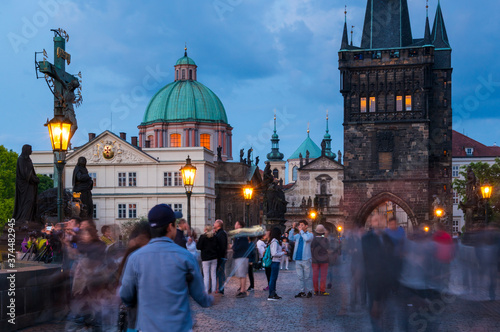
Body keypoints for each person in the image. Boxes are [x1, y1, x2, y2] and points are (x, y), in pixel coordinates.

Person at [120, 204, 214, 332]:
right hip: (179, 327)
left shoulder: (135, 258)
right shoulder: (185, 257)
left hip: (148, 327)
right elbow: (200, 296)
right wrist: (212, 299)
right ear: (170, 226)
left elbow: (125, 294)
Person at [12, 144, 40, 223]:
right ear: (26, 150)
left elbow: (31, 171)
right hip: (24, 185)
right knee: (27, 200)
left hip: (30, 184)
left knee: (31, 200)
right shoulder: (21, 159)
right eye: (30, 149)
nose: (31, 151)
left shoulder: (29, 160)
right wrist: (34, 179)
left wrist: (35, 178)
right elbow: (24, 174)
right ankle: (23, 218)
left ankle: (29, 218)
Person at [289, 220, 314, 298]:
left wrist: (301, 232)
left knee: (307, 276)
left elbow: (306, 239)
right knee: (300, 277)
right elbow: (290, 238)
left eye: (302, 225)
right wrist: (293, 228)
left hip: (306, 258)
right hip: (298, 259)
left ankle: (309, 291)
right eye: (300, 225)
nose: (300, 227)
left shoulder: (310, 235)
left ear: (306, 226)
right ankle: (302, 291)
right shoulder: (298, 236)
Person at [197, 225, 219, 294]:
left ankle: (206, 291)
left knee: (206, 275)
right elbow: (217, 246)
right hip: (214, 257)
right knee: (213, 275)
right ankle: (213, 290)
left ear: (205, 229)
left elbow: (198, 247)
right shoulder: (215, 237)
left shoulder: (202, 237)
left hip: (206, 258)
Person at [232, 221, 250, 298]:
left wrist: (233, 247)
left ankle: (243, 290)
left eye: (236, 224)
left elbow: (242, 245)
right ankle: (241, 289)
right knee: (240, 274)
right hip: (239, 256)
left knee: (242, 274)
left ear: (239, 225)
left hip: (242, 256)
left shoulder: (242, 234)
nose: (234, 225)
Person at [311, 224, 330, 296]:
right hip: (324, 259)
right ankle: (322, 290)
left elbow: (311, 248)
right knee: (323, 276)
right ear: (323, 232)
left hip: (315, 260)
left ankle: (316, 290)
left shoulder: (313, 240)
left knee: (315, 275)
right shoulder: (325, 240)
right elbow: (328, 248)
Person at [268, 227, 285, 300]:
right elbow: (274, 253)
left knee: (274, 278)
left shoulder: (274, 242)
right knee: (273, 278)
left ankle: (273, 293)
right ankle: (271, 294)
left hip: (276, 262)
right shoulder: (275, 242)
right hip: (275, 261)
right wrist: (282, 253)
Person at [214, 219, 228, 295]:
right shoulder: (219, 233)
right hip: (220, 256)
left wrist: (219, 256)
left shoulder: (221, 234)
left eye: (215, 223)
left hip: (220, 257)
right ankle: (219, 288)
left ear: (218, 225)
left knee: (220, 273)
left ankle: (220, 289)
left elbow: (222, 247)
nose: (213, 224)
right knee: (219, 273)